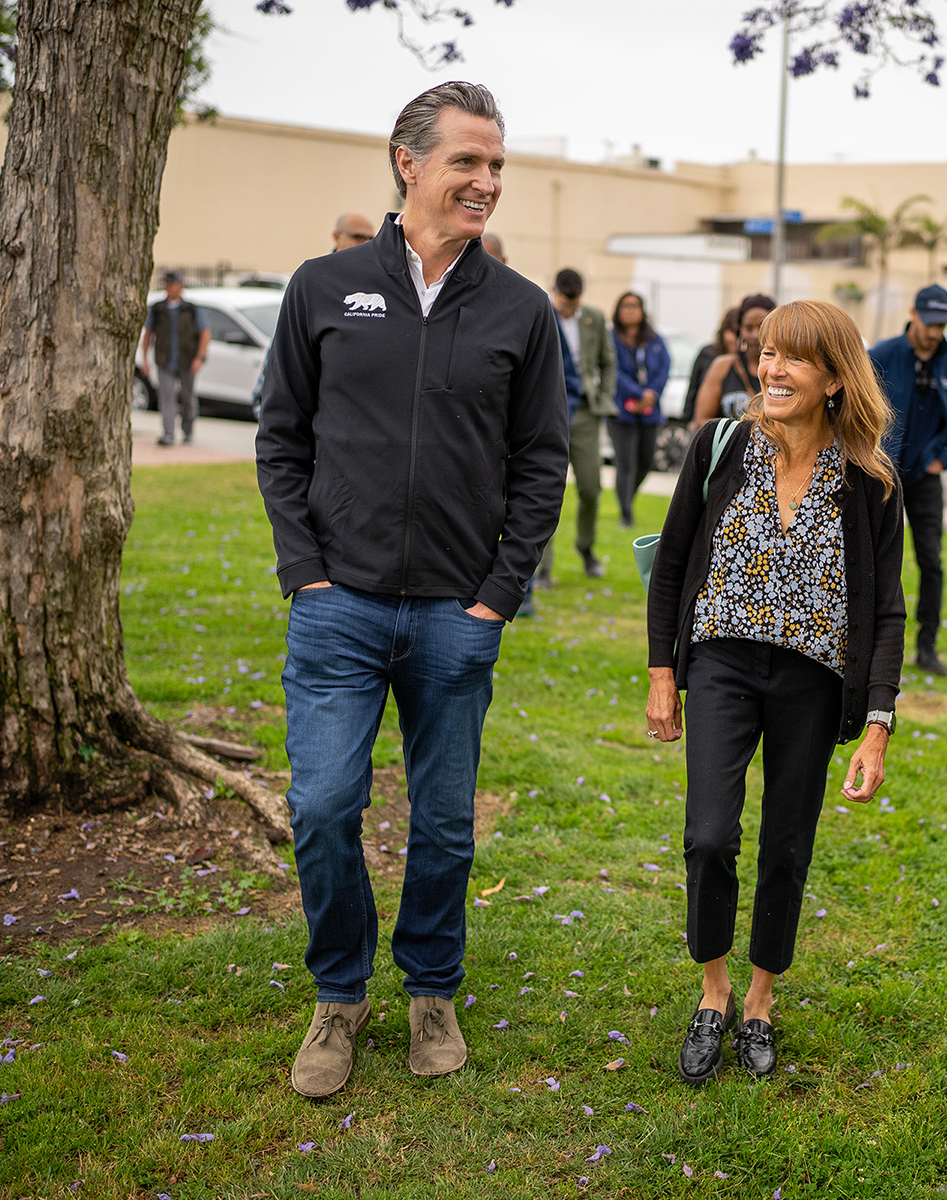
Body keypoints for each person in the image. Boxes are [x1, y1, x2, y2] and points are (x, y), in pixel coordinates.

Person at [255, 81, 568, 1100]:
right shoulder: (324, 284)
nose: (486, 182)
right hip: (338, 605)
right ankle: (338, 996)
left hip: (453, 614)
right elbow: (280, 438)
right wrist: (305, 574)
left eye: (497, 166)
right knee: (324, 804)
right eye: (469, 162)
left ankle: (431, 988)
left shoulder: (520, 311)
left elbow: (540, 464)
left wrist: (495, 598)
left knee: (441, 824)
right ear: (408, 161)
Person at [645, 298, 904, 1085]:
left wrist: (879, 722)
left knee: (787, 846)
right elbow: (671, 564)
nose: (773, 370)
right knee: (710, 837)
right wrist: (664, 674)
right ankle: (714, 994)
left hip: (812, 681)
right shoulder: (719, 446)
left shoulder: (868, 480)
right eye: (767, 354)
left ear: (833, 376)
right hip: (721, 661)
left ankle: (759, 1003)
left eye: (793, 357)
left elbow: (887, 607)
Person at [870, 283, 947, 676]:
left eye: (942, 324)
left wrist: (941, 458)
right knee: (877, 560)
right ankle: (868, 643)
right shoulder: (881, 356)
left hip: (925, 478)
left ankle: (926, 648)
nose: (934, 331)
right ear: (913, 313)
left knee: (932, 562)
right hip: (882, 473)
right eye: (929, 322)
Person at [537, 269, 616, 580]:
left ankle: (586, 547)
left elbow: (608, 362)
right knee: (545, 488)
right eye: (563, 301)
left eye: (573, 302)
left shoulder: (593, 319)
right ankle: (541, 567)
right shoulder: (541, 313)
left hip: (584, 411)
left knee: (590, 486)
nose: (568, 308)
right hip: (547, 410)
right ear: (552, 290)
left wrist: (604, 397)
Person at [609, 291, 672, 528]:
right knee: (625, 463)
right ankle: (626, 514)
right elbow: (612, 370)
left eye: (635, 305)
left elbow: (664, 368)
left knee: (645, 461)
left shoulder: (654, 340)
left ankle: (628, 498)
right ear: (618, 310)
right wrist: (637, 393)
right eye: (625, 305)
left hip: (649, 411)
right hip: (621, 411)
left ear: (643, 310)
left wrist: (651, 395)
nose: (630, 310)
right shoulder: (611, 338)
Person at [141, 270, 210, 447]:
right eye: (167, 284)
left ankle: (187, 429)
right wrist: (145, 360)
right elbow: (148, 334)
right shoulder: (158, 309)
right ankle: (168, 433)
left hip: (187, 359)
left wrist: (200, 357)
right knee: (167, 396)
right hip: (165, 360)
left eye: (173, 284)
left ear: (180, 286)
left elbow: (205, 333)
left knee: (187, 396)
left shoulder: (191, 309)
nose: (170, 288)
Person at [693, 294, 775, 425]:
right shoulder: (723, 366)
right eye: (748, 328)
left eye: (761, 327)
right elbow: (703, 418)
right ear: (739, 330)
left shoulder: (781, 369)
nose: (755, 335)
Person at [686, 307, 740, 416]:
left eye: (739, 333)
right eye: (731, 332)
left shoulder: (750, 363)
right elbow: (693, 389)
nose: (735, 338)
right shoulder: (707, 354)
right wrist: (688, 418)